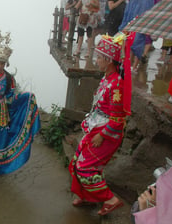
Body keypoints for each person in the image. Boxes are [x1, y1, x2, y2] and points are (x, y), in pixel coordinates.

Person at [69, 32, 134, 216]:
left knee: (85, 168)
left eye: (99, 57)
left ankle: (110, 199)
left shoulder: (117, 85)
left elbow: (117, 118)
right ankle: (88, 196)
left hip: (107, 133)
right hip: (96, 127)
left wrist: (101, 135)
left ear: (109, 60)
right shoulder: (107, 78)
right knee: (76, 162)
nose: (96, 60)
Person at [0, 29, 41, 175]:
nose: (0, 66)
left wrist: (25, 97)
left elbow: (11, 96)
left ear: (6, 63)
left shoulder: (8, 78)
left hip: (0, 112)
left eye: (2, 63)